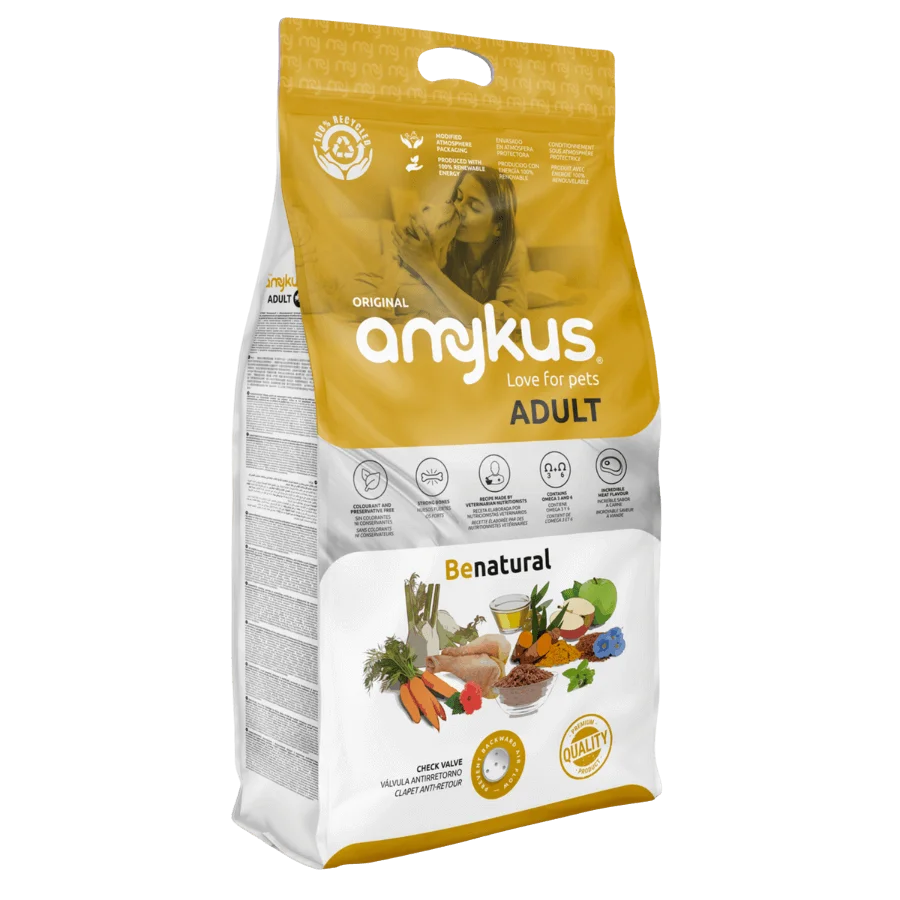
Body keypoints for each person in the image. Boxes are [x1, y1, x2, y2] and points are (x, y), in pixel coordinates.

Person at [392, 168, 529, 323]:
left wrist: (428, 269)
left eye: (474, 207)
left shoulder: (513, 252)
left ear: (498, 227)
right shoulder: (443, 235)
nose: (458, 208)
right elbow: (383, 293)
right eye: (458, 197)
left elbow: (508, 324)